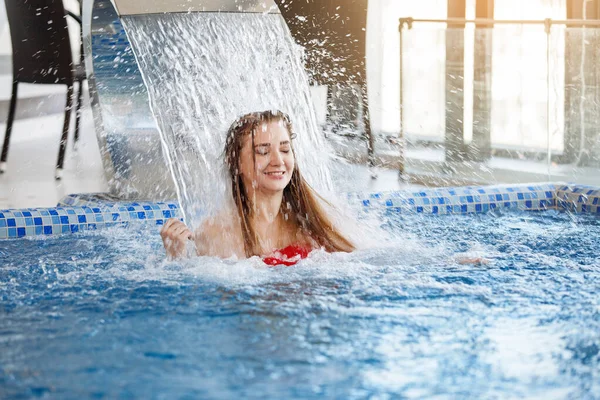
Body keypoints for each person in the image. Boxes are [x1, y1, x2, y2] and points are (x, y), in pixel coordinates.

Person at [160, 110, 355, 265]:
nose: (278, 161)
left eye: (285, 150)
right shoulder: (216, 235)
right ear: (236, 163)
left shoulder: (317, 226)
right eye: (263, 152)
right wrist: (177, 259)